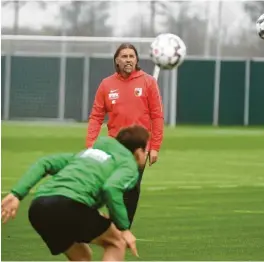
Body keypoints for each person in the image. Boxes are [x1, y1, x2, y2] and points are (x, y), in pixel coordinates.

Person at [1, 125, 150, 261]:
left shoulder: (85, 155)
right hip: (70, 206)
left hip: (39, 208)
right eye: (146, 150)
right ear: (138, 152)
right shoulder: (129, 164)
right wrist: (123, 228)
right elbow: (111, 188)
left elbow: (45, 163)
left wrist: (16, 194)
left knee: (82, 256)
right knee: (116, 242)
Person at [86, 43, 164, 227]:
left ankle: (122, 228)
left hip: (139, 148)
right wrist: (90, 144)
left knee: (131, 189)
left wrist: (154, 147)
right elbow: (96, 116)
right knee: (110, 186)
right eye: (124, 56)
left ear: (136, 60)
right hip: (114, 147)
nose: (128, 59)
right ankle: (111, 224)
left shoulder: (148, 82)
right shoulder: (106, 84)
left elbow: (157, 116)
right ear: (117, 61)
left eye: (131, 56)